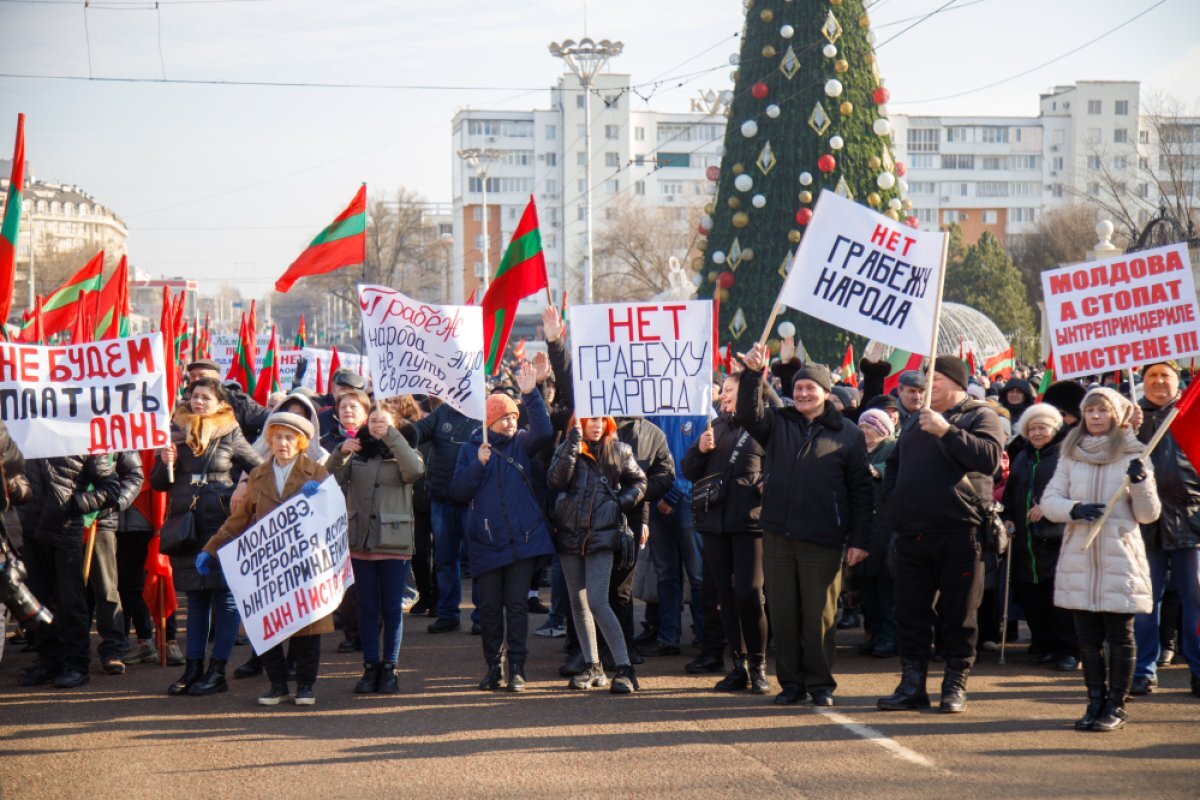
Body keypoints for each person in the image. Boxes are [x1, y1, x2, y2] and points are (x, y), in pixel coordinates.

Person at [738, 344, 873, 707]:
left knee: (819, 617)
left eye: (810, 388)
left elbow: (861, 490)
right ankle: (792, 684)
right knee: (782, 613)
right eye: (797, 388)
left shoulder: (848, 433)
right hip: (779, 535)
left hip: (823, 538)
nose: (802, 394)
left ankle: (820, 684)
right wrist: (753, 374)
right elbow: (749, 414)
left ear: (826, 394)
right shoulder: (779, 423)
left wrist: (859, 539)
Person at [877, 356, 1004, 714]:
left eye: (935, 379)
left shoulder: (981, 415)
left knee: (959, 614)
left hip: (960, 532)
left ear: (956, 384)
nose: (927, 387)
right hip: (912, 533)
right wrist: (893, 498)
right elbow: (895, 464)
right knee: (910, 613)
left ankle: (954, 684)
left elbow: (990, 459)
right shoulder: (916, 419)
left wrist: (947, 431)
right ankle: (912, 684)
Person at [1040, 387, 1160, 731]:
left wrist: (1141, 482)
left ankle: (1116, 706)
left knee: (1120, 635)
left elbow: (1149, 514)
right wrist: (1073, 509)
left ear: (1117, 415)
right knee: (1087, 638)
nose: (1095, 416)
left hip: (1119, 556)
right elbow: (1050, 500)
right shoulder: (1070, 453)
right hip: (1080, 555)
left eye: (1102, 411)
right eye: (1090, 410)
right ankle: (1094, 702)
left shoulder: (1136, 453)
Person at [200, 412, 331, 706]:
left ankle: (306, 686)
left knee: (306, 626)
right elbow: (239, 519)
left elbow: (334, 514)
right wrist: (211, 548)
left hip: (304, 562)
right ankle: (278, 685)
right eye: (277, 437)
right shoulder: (258, 475)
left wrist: (319, 497)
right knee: (267, 624)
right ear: (269, 441)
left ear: (301, 442)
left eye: (289, 438)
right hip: (267, 564)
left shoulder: (316, 473)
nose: (282, 443)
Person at [153, 377, 263, 696]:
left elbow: (257, 469)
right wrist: (165, 464)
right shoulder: (174, 432)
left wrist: (241, 487)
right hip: (185, 525)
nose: (198, 402)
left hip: (221, 524)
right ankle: (193, 668)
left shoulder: (230, 431)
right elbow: (160, 483)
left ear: (220, 404)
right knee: (196, 598)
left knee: (224, 597)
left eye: (205, 397)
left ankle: (218, 670)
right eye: (194, 396)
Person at [447, 363, 554, 692]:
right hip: (486, 542)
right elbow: (458, 492)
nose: (511, 422)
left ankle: (518, 668)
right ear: (490, 421)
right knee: (490, 608)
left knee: (517, 607)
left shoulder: (523, 443)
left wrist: (530, 393)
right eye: (504, 417)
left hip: (523, 541)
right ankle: (495, 666)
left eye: (513, 417)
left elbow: (545, 432)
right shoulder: (470, 450)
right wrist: (478, 465)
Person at [681, 371, 770, 693]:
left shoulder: (763, 427)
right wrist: (699, 451)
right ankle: (739, 665)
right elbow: (689, 471)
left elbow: (779, 465)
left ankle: (759, 665)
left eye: (733, 390)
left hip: (749, 524)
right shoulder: (714, 427)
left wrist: (766, 484)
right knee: (725, 598)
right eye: (726, 391)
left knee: (748, 593)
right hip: (714, 524)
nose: (726, 396)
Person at [327, 403, 424, 694]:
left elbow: (415, 470)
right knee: (366, 608)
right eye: (373, 420)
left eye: (384, 421)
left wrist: (392, 436)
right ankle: (370, 667)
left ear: (395, 424)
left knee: (392, 608)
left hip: (394, 541)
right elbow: (329, 479)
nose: (378, 425)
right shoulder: (356, 452)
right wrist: (340, 453)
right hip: (361, 541)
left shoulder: (404, 449)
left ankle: (390, 668)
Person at [548, 415, 647, 694]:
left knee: (597, 601)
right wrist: (571, 444)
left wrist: (619, 503)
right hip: (569, 534)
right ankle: (593, 667)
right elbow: (555, 481)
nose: (595, 425)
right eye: (589, 419)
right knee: (577, 603)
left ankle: (626, 668)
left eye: (600, 420)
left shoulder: (619, 450)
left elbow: (640, 482)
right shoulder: (567, 446)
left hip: (601, 535)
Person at [1132, 361, 1200, 698]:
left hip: (1192, 518)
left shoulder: (1191, 413)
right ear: (1143, 383)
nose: (1159, 381)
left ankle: (1198, 670)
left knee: (1196, 599)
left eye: (1166, 376)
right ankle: (1144, 670)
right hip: (1145, 521)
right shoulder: (1129, 418)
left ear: (1178, 381)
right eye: (1152, 376)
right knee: (1145, 599)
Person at [19, 451, 116, 688]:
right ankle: (49, 662)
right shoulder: (22, 439)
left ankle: (77, 665)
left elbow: (112, 489)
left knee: (71, 602)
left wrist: (75, 505)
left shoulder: (81, 441)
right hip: (29, 531)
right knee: (38, 602)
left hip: (64, 532)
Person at [1004, 404, 1077, 671]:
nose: (1037, 433)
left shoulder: (1065, 456)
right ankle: (1043, 643)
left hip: (1055, 538)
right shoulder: (1022, 457)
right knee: (1032, 597)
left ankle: (1068, 649)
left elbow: (1072, 492)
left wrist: (1048, 507)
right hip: (1026, 540)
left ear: (1055, 429)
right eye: (1032, 428)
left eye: (1042, 427)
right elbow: (1012, 493)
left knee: (1059, 597)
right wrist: (1009, 515)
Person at [412, 391, 481, 635]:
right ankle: (448, 614)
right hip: (442, 498)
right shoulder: (443, 412)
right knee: (445, 560)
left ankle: (482, 615)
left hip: (474, 501)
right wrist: (392, 430)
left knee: (478, 560)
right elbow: (417, 432)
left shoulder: (484, 413)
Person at [78, 451, 144, 675]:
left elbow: (134, 475)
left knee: (106, 588)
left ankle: (113, 650)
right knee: (66, 591)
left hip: (100, 520)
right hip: (62, 521)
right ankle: (72, 651)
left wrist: (114, 501)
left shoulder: (112, 429)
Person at [322, 389, 370, 653]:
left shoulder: (377, 439)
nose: (348, 411)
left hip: (369, 517)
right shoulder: (328, 440)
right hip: (338, 518)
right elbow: (324, 476)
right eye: (343, 408)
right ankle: (352, 633)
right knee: (345, 580)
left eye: (354, 407)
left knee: (369, 580)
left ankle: (371, 631)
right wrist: (340, 452)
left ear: (366, 411)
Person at [855, 408, 899, 658]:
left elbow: (898, 467)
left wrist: (877, 470)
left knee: (886, 586)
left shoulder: (893, 448)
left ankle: (890, 637)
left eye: (868, 427)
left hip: (886, 527)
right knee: (867, 585)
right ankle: (875, 633)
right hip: (864, 528)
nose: (864, 432)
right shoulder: (859, 451)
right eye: (861, 427)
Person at [185, 359, 270, 443]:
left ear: (217, 379)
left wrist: (254, 444)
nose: (196, 380)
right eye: (193, 376)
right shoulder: (186, 403)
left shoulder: (236, 399)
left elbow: (268, 418)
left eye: (202, 376)